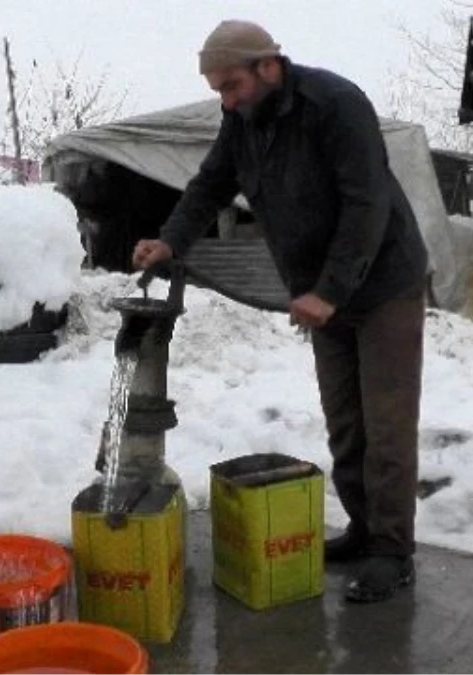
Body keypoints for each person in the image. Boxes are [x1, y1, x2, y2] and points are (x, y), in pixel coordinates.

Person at [132, 19, 429, 603]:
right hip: (323, 293)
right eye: (218, 89)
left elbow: (366, 203)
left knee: (386, 424)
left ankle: (392, 552)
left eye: (231, 85)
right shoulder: (242, 121)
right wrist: (171, 240)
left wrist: (331, 290)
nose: (226, 99)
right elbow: (210, 184)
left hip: (383, 283)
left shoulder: (336, 105)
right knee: (346, 422)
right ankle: (365, 530)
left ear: (269, 66)